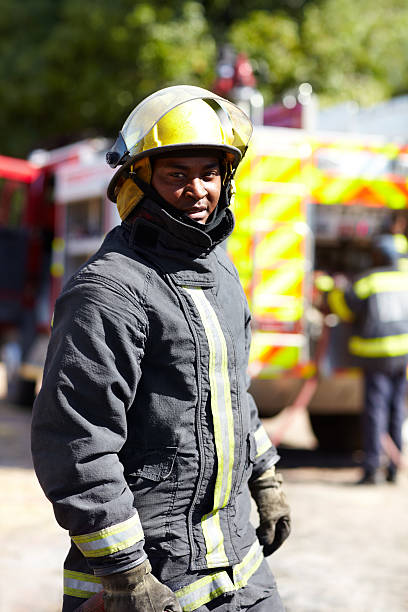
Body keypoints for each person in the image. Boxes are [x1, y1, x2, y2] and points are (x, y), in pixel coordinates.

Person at [31, 85, 291, 612]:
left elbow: (230, 393)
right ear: (138, 181)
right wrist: (126, 575)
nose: (198, 190)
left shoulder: (219, 271)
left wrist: (265, 477)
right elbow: (77, 442)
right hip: (153, 578)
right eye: (176, 175)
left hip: (241, 571)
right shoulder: (109, 293)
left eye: (210, 173)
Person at [328, 235, 408, 484]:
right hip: (402, 355)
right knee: (397, 409)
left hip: (376, 356)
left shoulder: (368, 282)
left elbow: (344, 310)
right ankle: (393, 469)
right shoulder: (404, 280)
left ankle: (372, 468)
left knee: (376, 411)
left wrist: (332, 290)